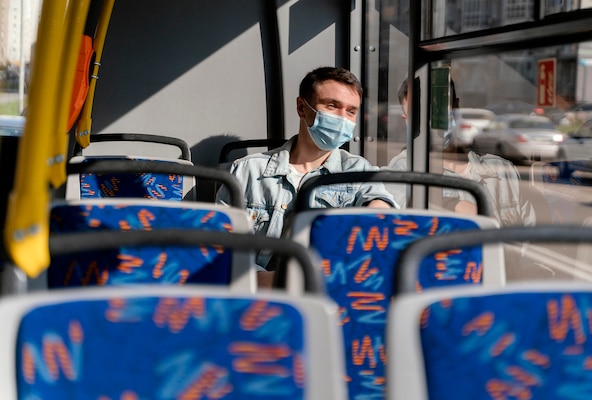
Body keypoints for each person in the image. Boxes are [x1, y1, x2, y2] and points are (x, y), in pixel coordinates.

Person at [217, 67, 397, 286]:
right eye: (332, 105)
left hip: (326, 290)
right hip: (253, 292)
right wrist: (272, 282)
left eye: (351, 111)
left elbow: (380, 206)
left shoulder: (358, 171)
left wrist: (375, 212)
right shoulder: (246, 171)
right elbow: (220, 244)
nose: (342, 118)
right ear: (302, 108)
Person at [384, 76, 536, 227]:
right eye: (418, 114)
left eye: (438, 110)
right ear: (406, 120)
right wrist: (450, 203)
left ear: (455, 107)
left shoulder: (502, 170)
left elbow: (530, 236)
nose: (430, 121)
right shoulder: (401, 172)